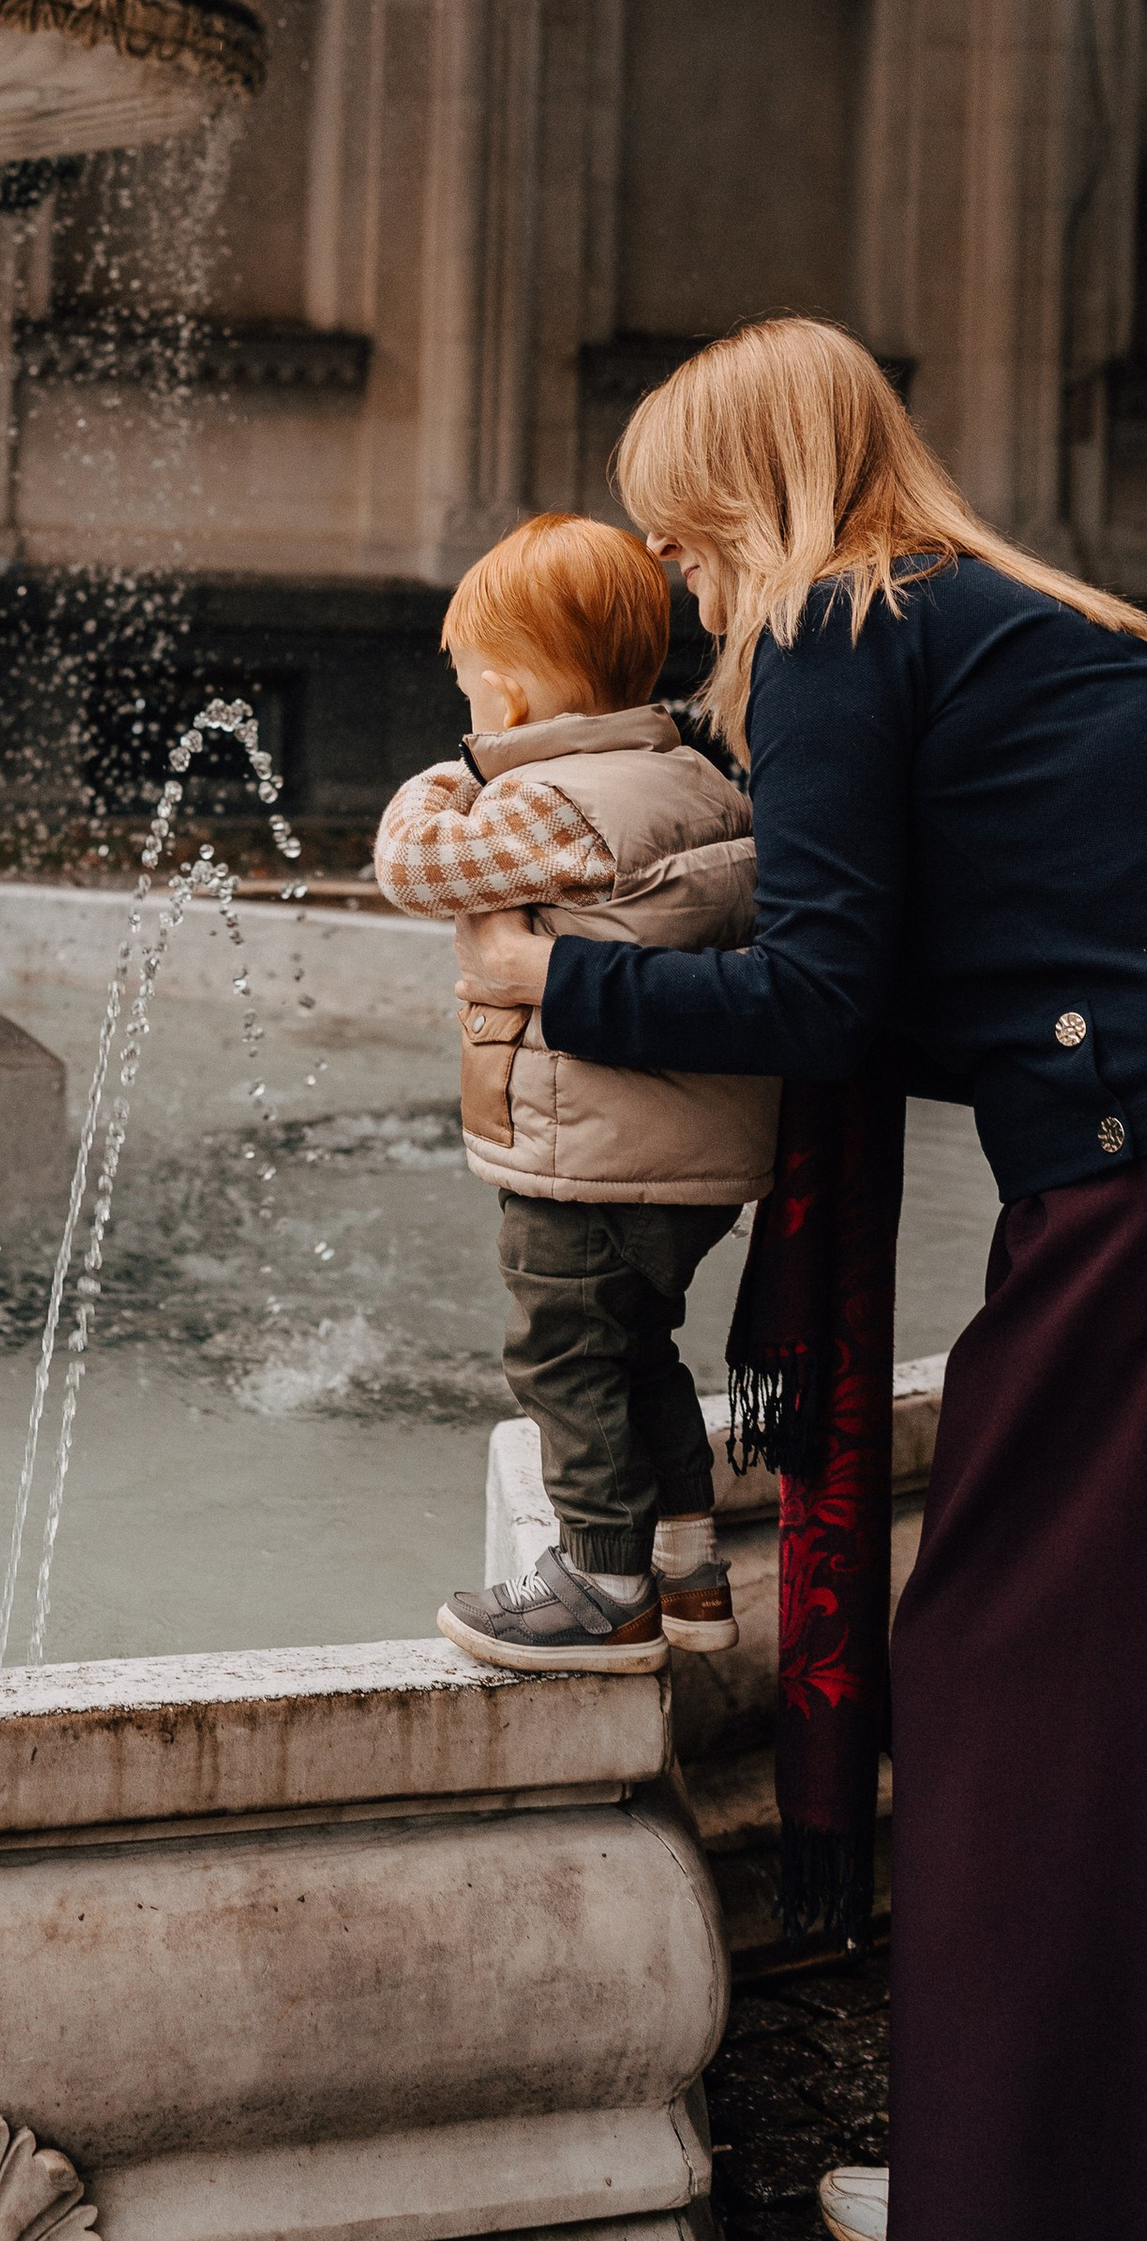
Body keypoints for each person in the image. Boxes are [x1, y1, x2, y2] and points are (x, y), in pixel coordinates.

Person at [452, 316, 1147, 2241]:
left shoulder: (842, 630)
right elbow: (973, 967)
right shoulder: (1012, 609)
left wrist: (560, 983)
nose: (678, 592)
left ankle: (1045, 2181)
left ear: (745, 502)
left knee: (1009, 1650)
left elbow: (829, 998)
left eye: (681, 544)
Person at [372, 512, 772, 1671]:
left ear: (506, 694)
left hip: (585, 1152)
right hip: (679, 1159)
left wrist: (452, 769)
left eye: (472, 689)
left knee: (561, 1355)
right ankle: (690, 1570)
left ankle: (600, 1585)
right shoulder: (695, 775)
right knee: (636, 1344)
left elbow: (411, 865)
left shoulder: (550, 807)